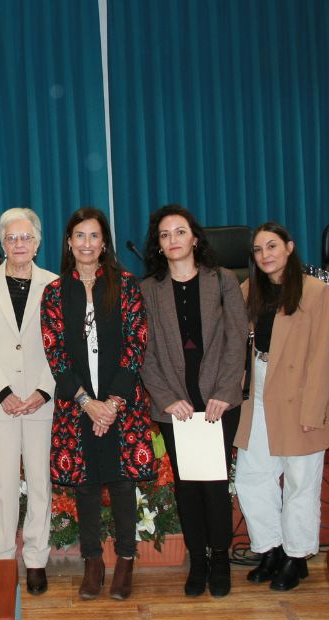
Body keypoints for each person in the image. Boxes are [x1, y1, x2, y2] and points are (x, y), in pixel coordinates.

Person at [41, 207, 155, 601]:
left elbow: (136, 343)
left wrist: (112, 403)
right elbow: (55, 353)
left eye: (94, 236)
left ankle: (125, 559)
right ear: (69, 243)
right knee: (86, 486)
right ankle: (93, 561)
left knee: (122, 483)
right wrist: (89, 403)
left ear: (103, 242)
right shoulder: (54, 293)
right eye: (79, 236)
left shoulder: (125, 285)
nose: (87, 243)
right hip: (77, 406)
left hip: (121, 404)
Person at [138, 205, 247, 598]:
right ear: (159, 245)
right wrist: (166, 399)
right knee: (187, 487)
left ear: (194, 238)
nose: (173, 240)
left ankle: (220, 559)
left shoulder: (223, 280)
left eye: (179, 232)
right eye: (165, 235)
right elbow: (144, 352)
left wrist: (223, 392)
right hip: (176, 409)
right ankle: (197, 563)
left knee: (215, 486)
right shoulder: (148, 289)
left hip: (218, 404)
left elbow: (237, 342)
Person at [234, 223, 329, 591]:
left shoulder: (314, 291)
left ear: (290, 247)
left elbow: (323, 354)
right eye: (258, 250)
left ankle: (297, 556)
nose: (265, 255)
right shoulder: (248, 290)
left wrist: (313, 411)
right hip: (259, 388)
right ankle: (271, 548)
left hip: (300, 391)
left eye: (272, 246)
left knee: (300, 481)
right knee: (251, 476)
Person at [0, 208, 58, 596]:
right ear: (2, 243)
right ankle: (3, 559)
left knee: (39, 482)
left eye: (26, 238)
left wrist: (41, 391)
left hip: (41, 400)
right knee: (1, 485)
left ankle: (36, 559)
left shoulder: (55, 284)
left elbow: (62, 347)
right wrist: (4, 392)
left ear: (37, 243)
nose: (19, 244)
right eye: (11, 238)